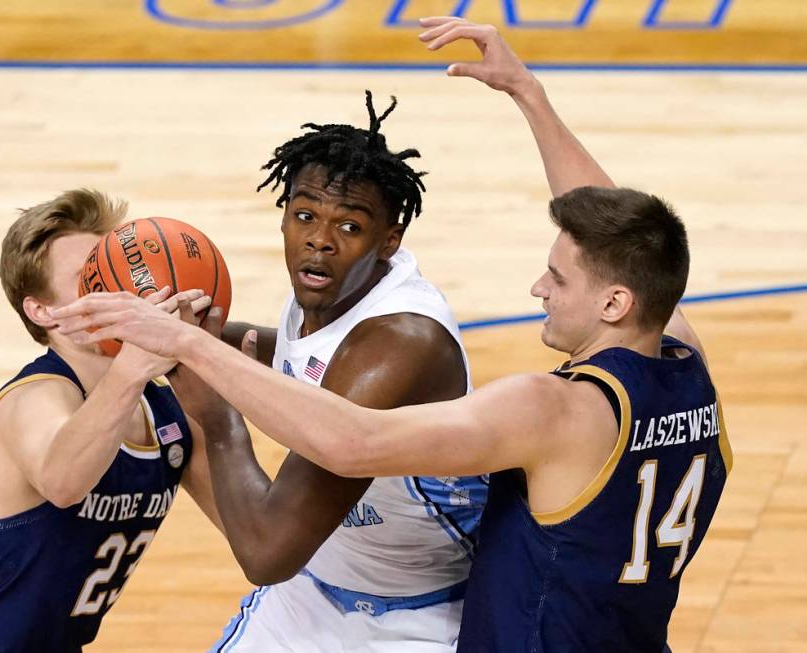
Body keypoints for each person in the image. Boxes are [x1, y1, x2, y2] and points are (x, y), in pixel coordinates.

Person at [53, 17, 732, 652]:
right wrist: (528, 94)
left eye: (557, 276)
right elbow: (625, 240)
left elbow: (355, 442)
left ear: (614, 302)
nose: (537, 288)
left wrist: (193, 354)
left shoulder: (550, 408)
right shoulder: (684, 362)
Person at [167, 90, 485, 652]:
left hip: (427, 613)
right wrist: (190, 335)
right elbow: (295, 360)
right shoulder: (326, 292)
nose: (320, 239)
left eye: (350, 227)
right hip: (313, 590)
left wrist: (217, 419)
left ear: (390, 240)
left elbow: (267, 552)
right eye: (306, 215)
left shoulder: (398, 343)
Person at [0, 189, 220, 652]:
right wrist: (134, 365)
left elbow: (252, 539)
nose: (115, 290)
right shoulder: (34, 399)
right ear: (42, 310)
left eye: (115, 271)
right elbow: (63, 481)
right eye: (89, 278)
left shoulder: (163, 408)